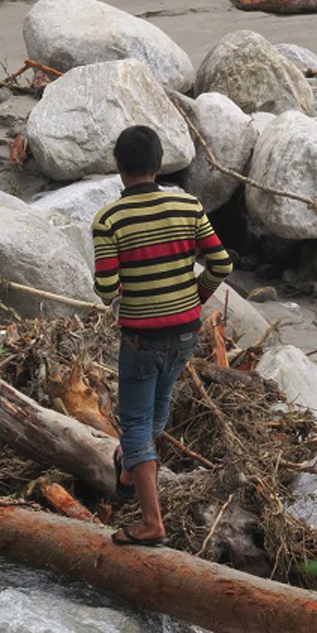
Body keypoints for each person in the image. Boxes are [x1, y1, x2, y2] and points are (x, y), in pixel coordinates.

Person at [92, 124, 233, 547]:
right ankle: (128, 470)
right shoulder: (189, 205)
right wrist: (195, 295)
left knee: (134, 423)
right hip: (187, 331)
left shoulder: (109, 220)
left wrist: (127, 295)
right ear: (158, 165)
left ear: (119, 167)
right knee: (158, 408)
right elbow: (222, 264)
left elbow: (105, 289)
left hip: (140, 336)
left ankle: (151, 522)